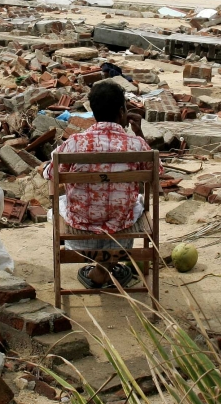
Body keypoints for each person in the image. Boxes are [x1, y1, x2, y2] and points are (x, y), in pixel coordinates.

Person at [44, 80, 150, 289]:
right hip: (122, 229)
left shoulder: (75, 143)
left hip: (80, 231)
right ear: (122, 112)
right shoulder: (136, 144)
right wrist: (138, 132)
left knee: (59, 203)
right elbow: (156, 172)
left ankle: (101, 268)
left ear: (94, 113)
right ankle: (105, 267)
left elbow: (50, 174)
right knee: (134, 203)